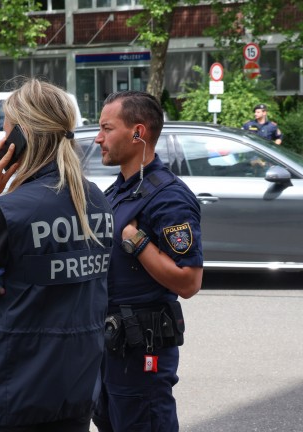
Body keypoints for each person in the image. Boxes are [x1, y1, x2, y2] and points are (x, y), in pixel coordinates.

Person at [0, 78, 114, 432]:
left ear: (19, 138)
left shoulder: (10, 209)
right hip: (75, 388)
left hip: (14, 391)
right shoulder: (96, 199)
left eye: (5, 129)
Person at [92, 90, 203, 432]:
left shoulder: (168, 198)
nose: (98, 138)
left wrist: (137, 241)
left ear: (138, 133)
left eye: (107, 128)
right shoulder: (117, 192)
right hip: (111, 348)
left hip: (142, 351)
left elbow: (189, 282)